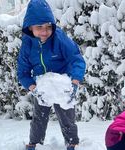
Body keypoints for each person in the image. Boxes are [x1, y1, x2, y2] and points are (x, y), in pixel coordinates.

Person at [17, 0, 86, 150]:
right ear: (30, 27)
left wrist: (74, 81)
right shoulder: (27, 44)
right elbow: (22, 71)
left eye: (48, 26)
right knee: (39, 118)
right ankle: (34, 142)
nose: (45, 31)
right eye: (39, 27)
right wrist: (32, 87)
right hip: (42, 87)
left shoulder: (59, 38)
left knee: (67, 116)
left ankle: (72, 142)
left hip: (62, 84)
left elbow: (76, 58)